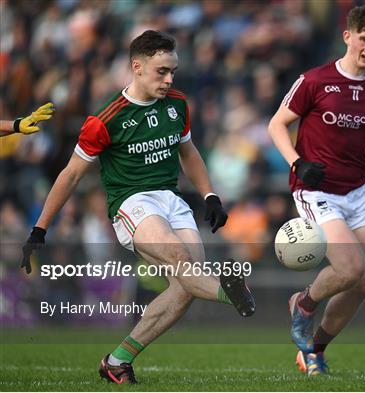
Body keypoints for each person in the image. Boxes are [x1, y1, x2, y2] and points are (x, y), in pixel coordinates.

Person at [20, 30, 255, 384]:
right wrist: (40, 228)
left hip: (171, 200)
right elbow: (70, 176)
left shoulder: (177, 103)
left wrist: (210, 196)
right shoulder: (105, 119)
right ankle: (230, 292)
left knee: (186, 285)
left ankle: (117, 361)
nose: (169, 78)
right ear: (137, 67)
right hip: (132, 203)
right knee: (182, 261)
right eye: (162, 71)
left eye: (173, 70)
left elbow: (188, 152)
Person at [268, 5, 365, 376]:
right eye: (363, 39)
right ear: (347, 36)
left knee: (362, 284)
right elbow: (276, 126)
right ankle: (304, 303)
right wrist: (297, 163)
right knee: (349, 268)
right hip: (317, 190)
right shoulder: (315, 80)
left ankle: (313, 351)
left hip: (358, 191)